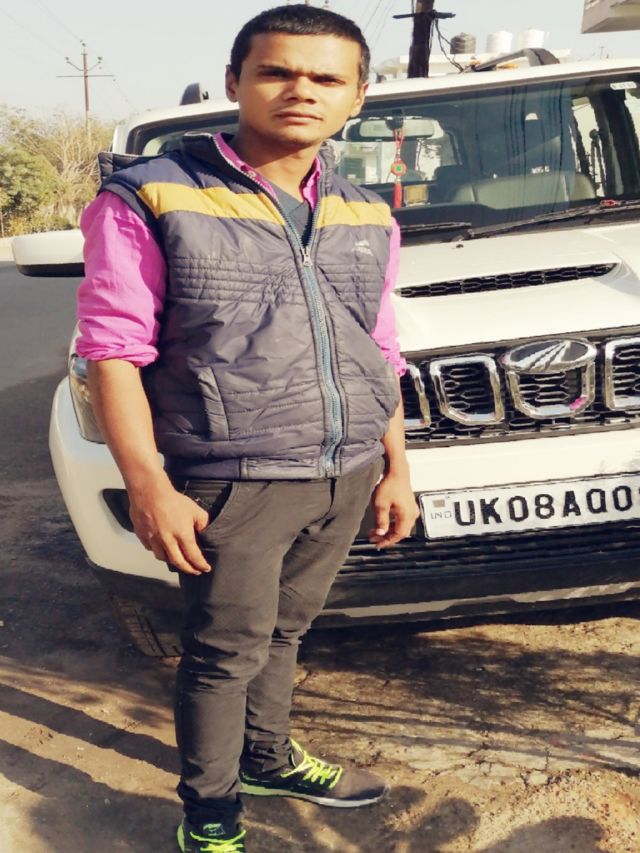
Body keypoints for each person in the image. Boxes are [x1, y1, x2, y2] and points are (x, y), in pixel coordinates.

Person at [76, 5, 419, 851]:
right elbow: (113, 352)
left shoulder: (365, 210)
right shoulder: (153, 193)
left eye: (327, 78)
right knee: (225, 649)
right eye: (277, 71)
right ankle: (211, 812)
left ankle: (266, 757)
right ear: (235, 82)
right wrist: (148, 484)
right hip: (234, 476)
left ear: (358, 97)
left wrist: (395, 467)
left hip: (343, 471)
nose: (302, 90)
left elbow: (379, 348)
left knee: (286, 631)